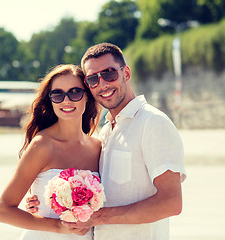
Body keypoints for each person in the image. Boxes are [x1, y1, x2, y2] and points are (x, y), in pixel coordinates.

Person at [27, 43, 186, 240]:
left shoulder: (153, 122)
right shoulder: (105, 133)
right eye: (93, 79)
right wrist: (45, 200)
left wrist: (96, 217)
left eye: (109, 74)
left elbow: (171, 202)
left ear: (126, 73)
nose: (102, 84)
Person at [0, 64, 102, 240]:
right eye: (58, 94)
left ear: (87, 97)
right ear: (51, 101)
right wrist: (58, 227)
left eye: (75, 92)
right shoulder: (42, 146)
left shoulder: (98, 148)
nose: (66, 101)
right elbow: (2, 211)